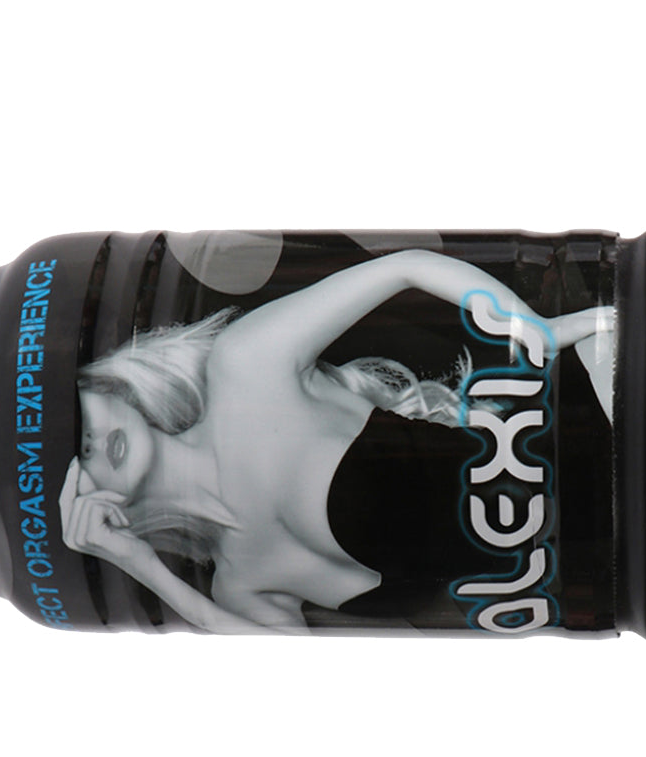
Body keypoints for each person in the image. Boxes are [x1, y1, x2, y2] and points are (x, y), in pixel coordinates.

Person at [58, 249, 614, 632]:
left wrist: (535, 329)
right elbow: (306, 684)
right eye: (65, 456)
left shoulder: (245, 366)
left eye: (77, 417)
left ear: (100, 385)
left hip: (605, 415)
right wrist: (138, 563)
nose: (88, 443)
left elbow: (405, 266)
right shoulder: (241, 585)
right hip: (622, 568)